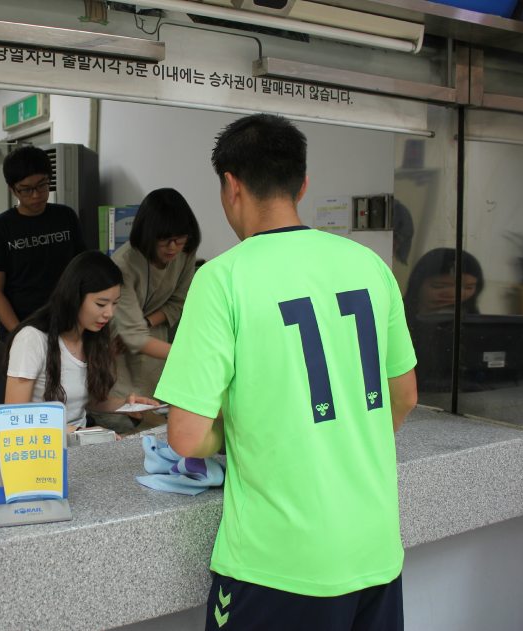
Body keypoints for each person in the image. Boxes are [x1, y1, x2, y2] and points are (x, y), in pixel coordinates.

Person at [155, 114, 418, 631]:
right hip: (376, 551)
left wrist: (244, 433)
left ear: (231, 186)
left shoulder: (223, 278)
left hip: (279, 564)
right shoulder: (369, 265)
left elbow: (185, 436)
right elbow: (403, 395)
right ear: (301, 183)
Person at [3, 251, 157, 432]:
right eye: (101, 304)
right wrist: (79, 433)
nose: (109, 313)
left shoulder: (93, 335)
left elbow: (84, 399)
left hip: (80, 443)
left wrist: (127, 406)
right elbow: (15, 419)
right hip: (42, 448)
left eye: (115, 303)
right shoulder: (31, 339)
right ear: (74, 297)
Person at [95, 188, 200, 433]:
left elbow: (178, 302)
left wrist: (145, 322)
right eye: (165, 240)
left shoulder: (185, 253)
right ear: (147, 234)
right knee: (123, 417)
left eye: (180, 238)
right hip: (115, 347)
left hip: (154, 342)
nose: (173, 247)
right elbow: (133, 339)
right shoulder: (124, 263)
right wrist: (193, 356)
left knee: (155, 413)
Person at [0, 145, 87, 341]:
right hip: (22, 329)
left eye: (42, 185)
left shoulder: (66, 216)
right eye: (26, 190)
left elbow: (82, 271)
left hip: (68, 326)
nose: (36, 195)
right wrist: (22, 333)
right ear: (13, 189)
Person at [403, 247, 483, 323]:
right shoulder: (395, 313)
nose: (453, 294)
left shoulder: (466, 323)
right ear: (417, 283)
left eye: (469, 287)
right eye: (438, 286)